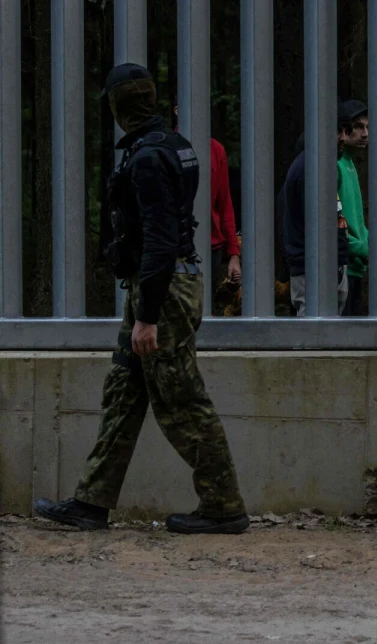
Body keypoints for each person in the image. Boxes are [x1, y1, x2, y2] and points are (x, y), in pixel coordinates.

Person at [34, 63, 249, 535]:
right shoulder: (174, 146)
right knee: (124, 395)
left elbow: (159, 237)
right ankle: (91, 501)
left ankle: (224, 506)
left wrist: (147, 316)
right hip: (161, 285)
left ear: (117, 107)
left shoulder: (149, 158)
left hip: (162, 291)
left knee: (181, 402)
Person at [173, 104, 242, 311]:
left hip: (211, 248)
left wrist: (234, 255)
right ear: (178, 110)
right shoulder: (167, 147)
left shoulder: (216, 150)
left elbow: (225, 204)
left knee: (206, 311)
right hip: (173, 247)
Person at [280, 128, 351, 316]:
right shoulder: (308, 169)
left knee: (326, 334)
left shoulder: (320, 167)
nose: (344, 137)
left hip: (327, 262)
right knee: (312, 335)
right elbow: (314, 223)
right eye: (338, 131)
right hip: (314, 266)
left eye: (347, 131)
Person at [337, 100, 369, 316]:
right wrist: (364, 249)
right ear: (343, 130)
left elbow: (356, 218)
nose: (365, 133)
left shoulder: (350, 165)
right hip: (342, 267)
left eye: (367, 127)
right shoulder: (336, 165)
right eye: (358, 127)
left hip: (356, 267)